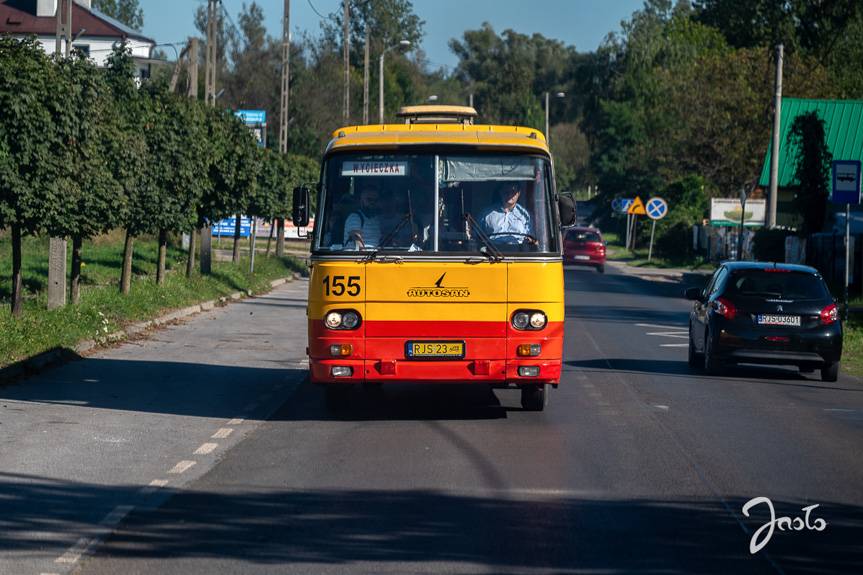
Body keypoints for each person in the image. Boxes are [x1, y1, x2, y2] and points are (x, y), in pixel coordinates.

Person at [343, 184, 382, 250]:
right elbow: (357, 241)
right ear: (361, 200)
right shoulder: (354, 217)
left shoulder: (376, 220)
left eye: (375, 200)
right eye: (369, 200)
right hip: (355, 257)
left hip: (374, 256)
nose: (372, 203)